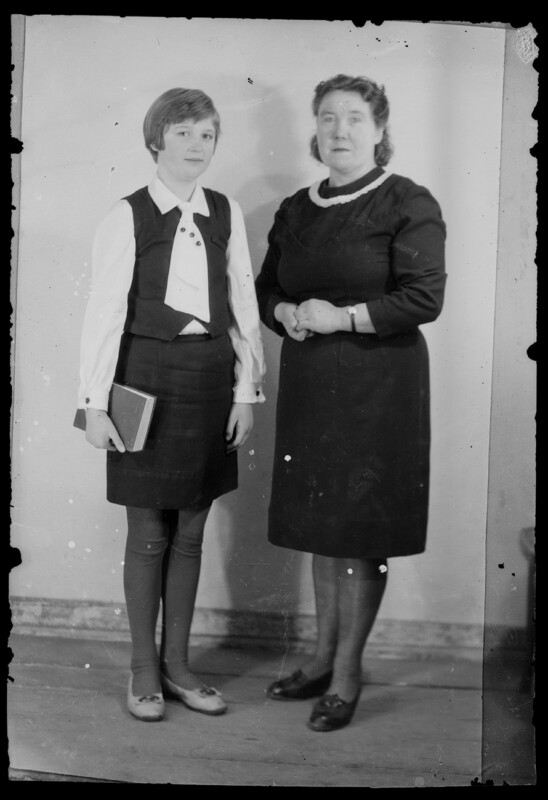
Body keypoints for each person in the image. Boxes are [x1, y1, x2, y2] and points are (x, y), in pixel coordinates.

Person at [255, 74, 446, 732]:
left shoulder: (407, 201)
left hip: (379, 388)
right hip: (312, 384)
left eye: (355, 118)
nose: (340, 130)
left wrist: (342, 318)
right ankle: (318, 659)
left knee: (361, 532)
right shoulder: (296, 209)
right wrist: (285, 312)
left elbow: (424, 297)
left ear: (380, 129)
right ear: (315, 128)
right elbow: (266, 288)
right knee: (321, 525)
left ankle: (347, 673)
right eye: (328, 117)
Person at [78, 87, 265, 722]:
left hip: (210, 381)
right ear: (156, 140)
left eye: (207, 134)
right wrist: (94, 403)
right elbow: (104, 314)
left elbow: (242, 304)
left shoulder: (225, 212)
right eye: (183, 132)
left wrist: (245, 391)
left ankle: (179, 666)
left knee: (191, 530)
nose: (196, 145)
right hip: (142, 381)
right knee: (148, 531)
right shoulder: (126, 215)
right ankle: (142, 669)